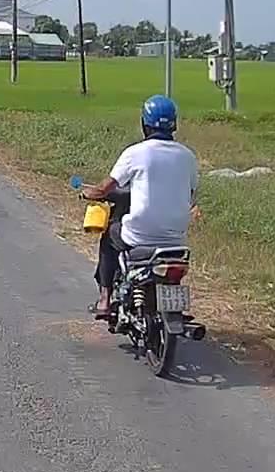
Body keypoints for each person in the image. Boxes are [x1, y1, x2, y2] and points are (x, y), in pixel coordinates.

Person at [81, 94, 198, 317]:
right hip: (176, 240)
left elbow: (104, 189)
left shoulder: (135, 153)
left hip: (140, 235)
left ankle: (105, 300)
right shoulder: (188, 156)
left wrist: (88, 193)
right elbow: (191, 193)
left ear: (145, 124)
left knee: (109, 234)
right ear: (174, 124)